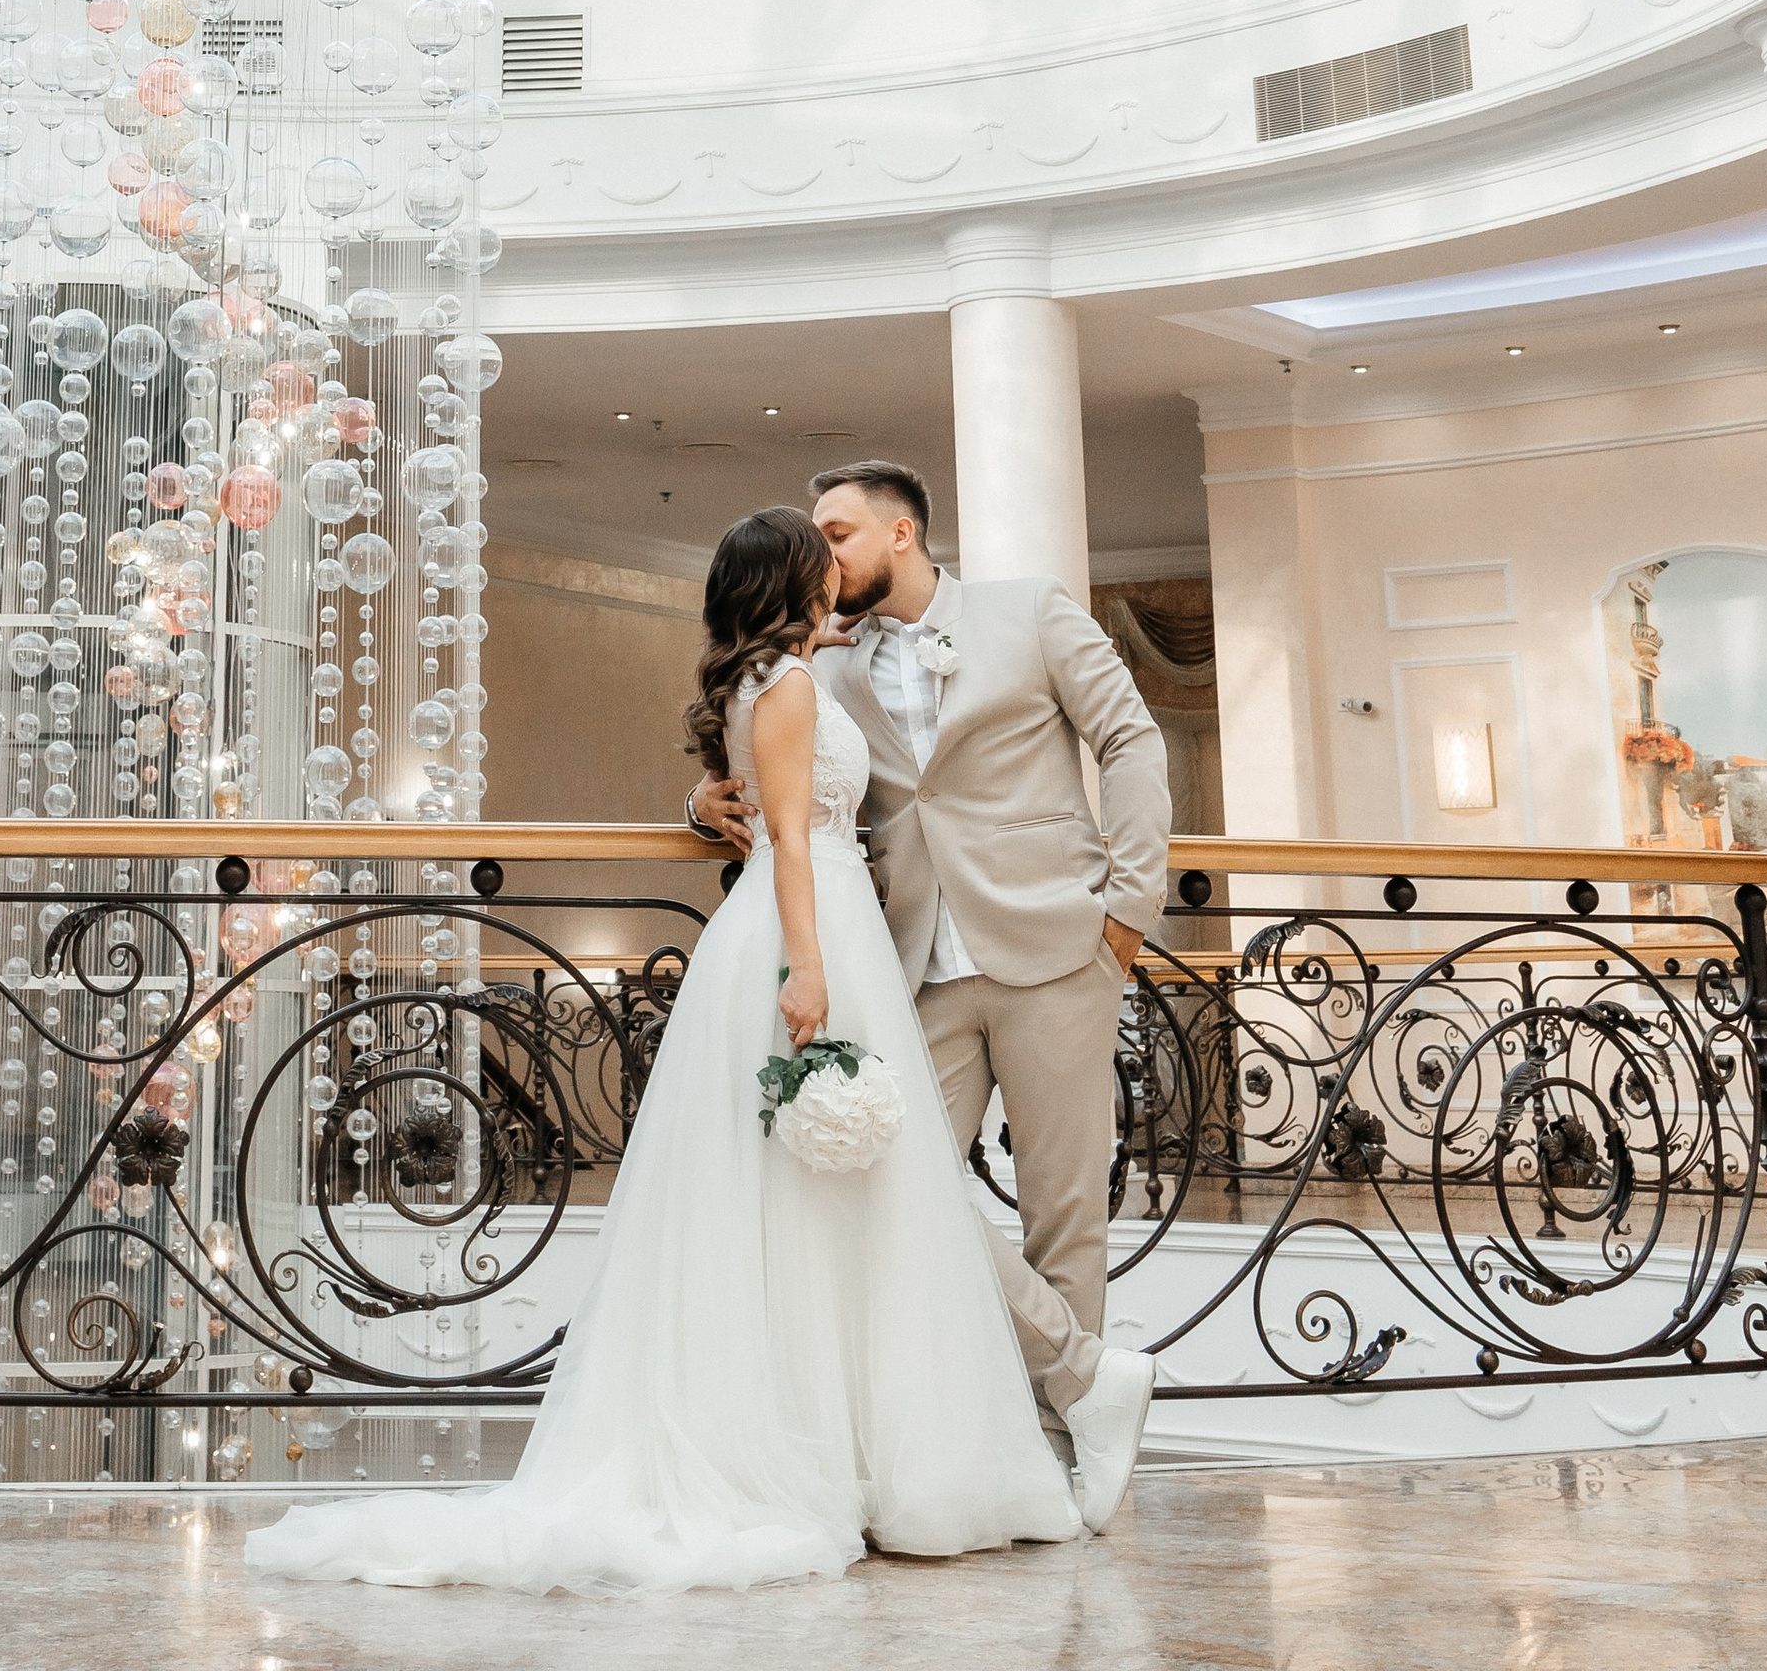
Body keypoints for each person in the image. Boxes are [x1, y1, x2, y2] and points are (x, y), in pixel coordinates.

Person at [255, 506, 1079, 1596]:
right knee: (813, 1194)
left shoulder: (776, 675)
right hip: (808, 924)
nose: (837, 572)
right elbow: (790, 834)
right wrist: (808, 967)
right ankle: (847, 1462)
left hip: (816, 923)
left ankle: (849, 1452)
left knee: (818, 1199)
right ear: (795, 582)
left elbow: (769, 790)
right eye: (818, 560)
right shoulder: (782, 687)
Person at [688, 460, 1168, 1533]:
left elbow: (1131, 739)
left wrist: (1127, 909)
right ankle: (1025, 1407)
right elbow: (774, 763)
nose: (824, 551)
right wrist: (698, 798)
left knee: (1063, 1215)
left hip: (1056, 945)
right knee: (891, 1200)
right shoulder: (822, 658)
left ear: (901, 533)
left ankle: (1059, 1460)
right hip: (903, 965)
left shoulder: (1028, 609)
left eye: (840, 530)